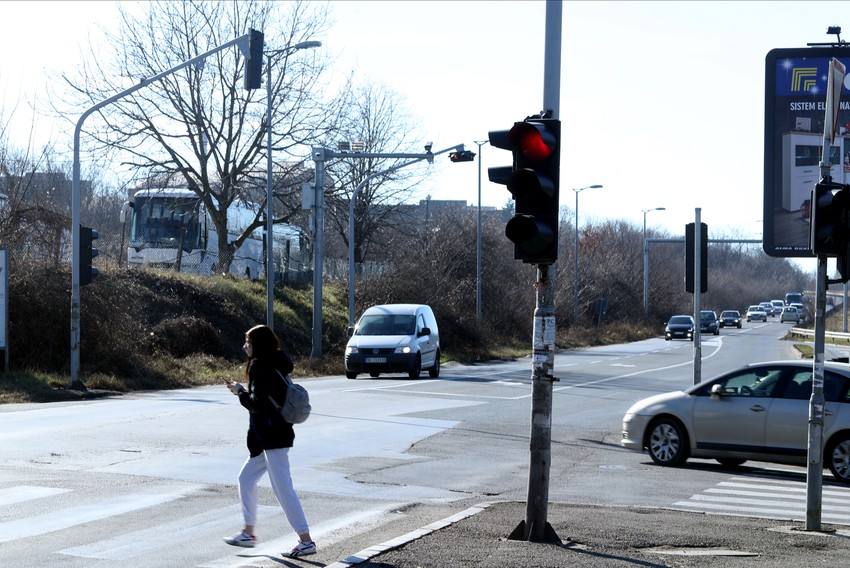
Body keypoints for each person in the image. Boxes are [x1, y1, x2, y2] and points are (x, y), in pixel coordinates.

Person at [223, 324, 316, 558]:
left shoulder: (260, 366)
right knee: (245, 479)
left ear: (258, 345)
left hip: (273, 437)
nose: (244, 346)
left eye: (248, 342)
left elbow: (257, 404)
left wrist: (240, 392)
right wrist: (243, 391)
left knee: (283, 490)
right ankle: (248, 532)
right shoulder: (275, 361)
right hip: (270, 437)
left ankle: (306, 541)